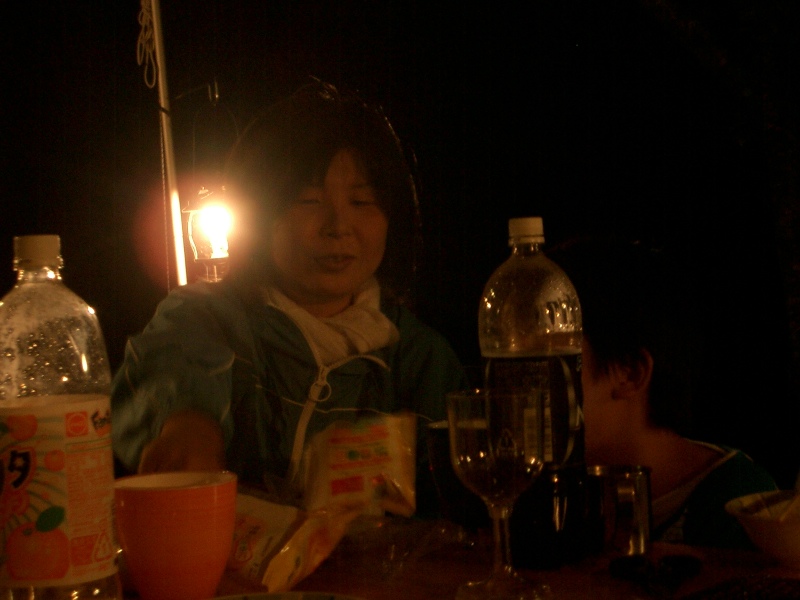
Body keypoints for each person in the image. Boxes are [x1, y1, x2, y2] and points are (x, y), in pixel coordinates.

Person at [110, 81, 468, 516]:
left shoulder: (421, 359)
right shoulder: (208, 319)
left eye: (362, 201)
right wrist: (188, 425)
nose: (338, 226)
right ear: (258, 214)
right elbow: (171, 371)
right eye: (308, 200)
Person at [550, 235, 778, 549]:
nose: (526, 390)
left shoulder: (739, 504)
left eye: (552, 360)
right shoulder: (546, 490)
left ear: (630, 373)